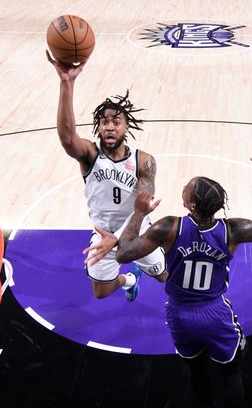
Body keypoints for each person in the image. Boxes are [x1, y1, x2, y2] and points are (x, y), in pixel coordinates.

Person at [110, 149, 252, 408]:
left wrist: (138, 213)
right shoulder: (232, 231)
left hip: (180, 316)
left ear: (191, 205)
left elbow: (124, 253)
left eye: (191, 187)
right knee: (231, 373)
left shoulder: (169, 228)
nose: (188, 184)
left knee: (196, 370)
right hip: (214, 315)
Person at [47, 53, 168, 302]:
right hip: (104, 234)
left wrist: (120, 239)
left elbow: (142, 208)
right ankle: (130, 280)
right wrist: (66, 83)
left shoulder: (144, 160)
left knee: (164, 276)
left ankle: (145, 270)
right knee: (101, 292)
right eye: (104, 122)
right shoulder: (90, 155)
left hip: (138, 232)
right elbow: (68, 138)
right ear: (98, 128)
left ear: (126, 128)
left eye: (116, 122)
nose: (110, 126)